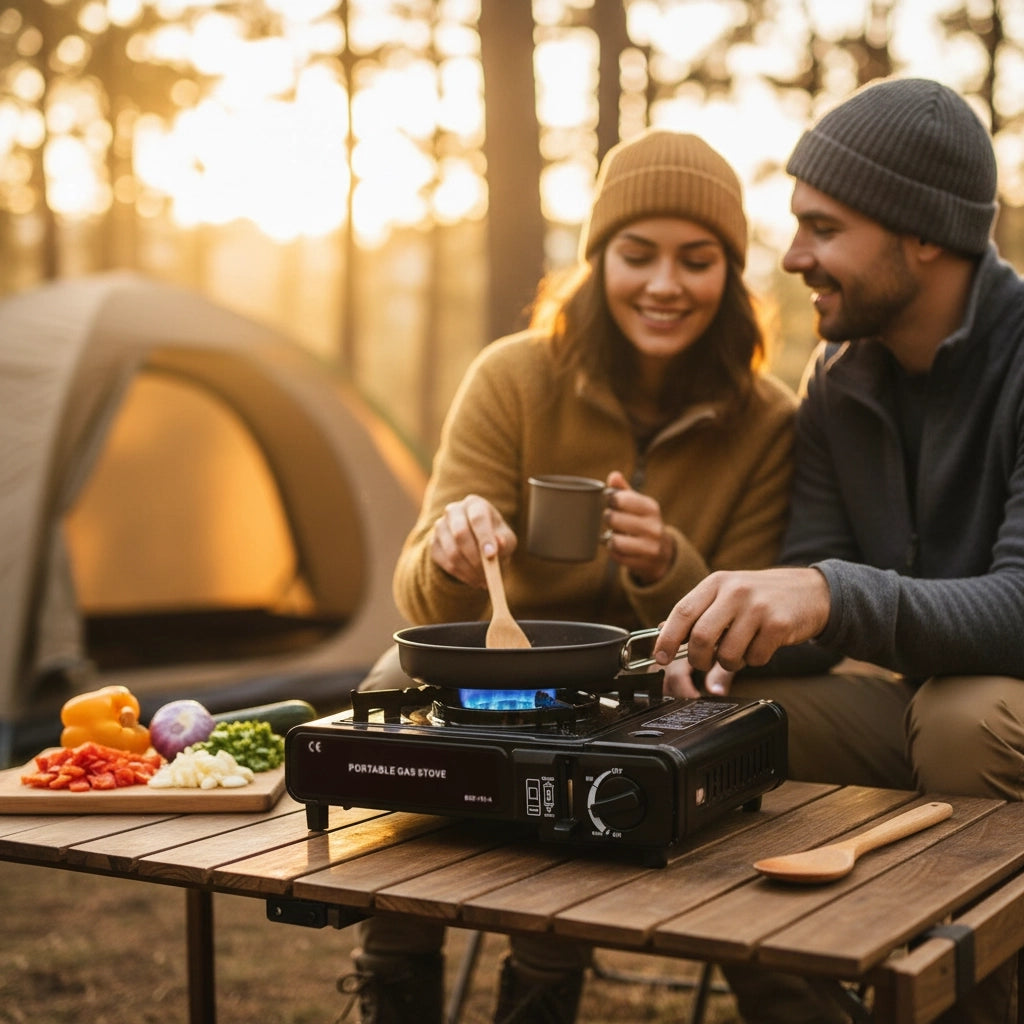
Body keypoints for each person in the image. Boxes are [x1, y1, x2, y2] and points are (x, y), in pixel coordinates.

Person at [342, 128, 798, 1024]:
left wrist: (668, 564)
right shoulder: (513, 378)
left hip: (638, 683)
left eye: (697, 260)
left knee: (588, 760)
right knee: (395, 684)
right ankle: (391, 971)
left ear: (730, 276)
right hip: (491, 672)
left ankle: (542, 987)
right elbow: (416, 594)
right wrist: (450, 551)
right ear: (598, 263)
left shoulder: (766, 420)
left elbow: (746, 604)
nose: (664, 284)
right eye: (637, 255)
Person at [653, 77, 1024, 1024]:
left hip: (986, 713)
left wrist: (827, 591)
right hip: (911, 701)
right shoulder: (838, 373)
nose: (791, 256)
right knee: (731, 729)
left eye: (822, 229)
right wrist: (735, 635)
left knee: (963, 716)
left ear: (923, 233)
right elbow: (815, 607)